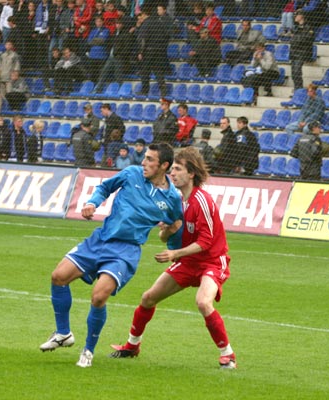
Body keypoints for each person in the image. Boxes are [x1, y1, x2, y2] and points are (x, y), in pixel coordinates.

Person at [39, 143, 183, 368]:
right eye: (144, 157)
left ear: (164, 165)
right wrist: (92, 203)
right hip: (101, 239)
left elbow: (176, 223)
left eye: (150, 159)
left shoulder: (172, 197)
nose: (143, 162)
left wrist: (175, 249)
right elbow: (104, 188)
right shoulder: (132, 173)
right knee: (58, 276)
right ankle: (63, 333)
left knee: (99, 297)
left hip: (125, 252)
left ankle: (88, 350)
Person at [109, 146, 236, 369]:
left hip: (212, 261)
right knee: (148, 298)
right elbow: (164, 237)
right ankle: (132, 346)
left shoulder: (202, 201)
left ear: (191, 173)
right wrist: (168, 230)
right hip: (188, 262)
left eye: (178, 169)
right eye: (172, 169)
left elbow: (206, 242)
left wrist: (175, 254)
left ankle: (228, 354)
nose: (172, 173)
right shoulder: (175, 200)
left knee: (203, 302)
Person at [137, 7, 171, 98]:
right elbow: (166, 36)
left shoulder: (146, 24)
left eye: (141, 15)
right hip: (159, 50)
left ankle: (145, 90)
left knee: (144, 71)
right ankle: (163, 88)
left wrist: (140, 52)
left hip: (148, 51)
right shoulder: (159, 22)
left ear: (144, 14)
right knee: (158, 70)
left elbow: (143, 39)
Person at [290, 10, 315, 90]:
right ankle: (296, 90)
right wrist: (296, 38)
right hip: (294, 52)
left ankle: (299, 90)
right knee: (293, 74)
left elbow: (307, 39)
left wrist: (295, 38)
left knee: (297, 72)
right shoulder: (296, 27)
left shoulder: (308, 27)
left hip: (302, 52)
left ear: (301, 16)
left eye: (297, 15)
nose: (295, 17)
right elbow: (293, 39)